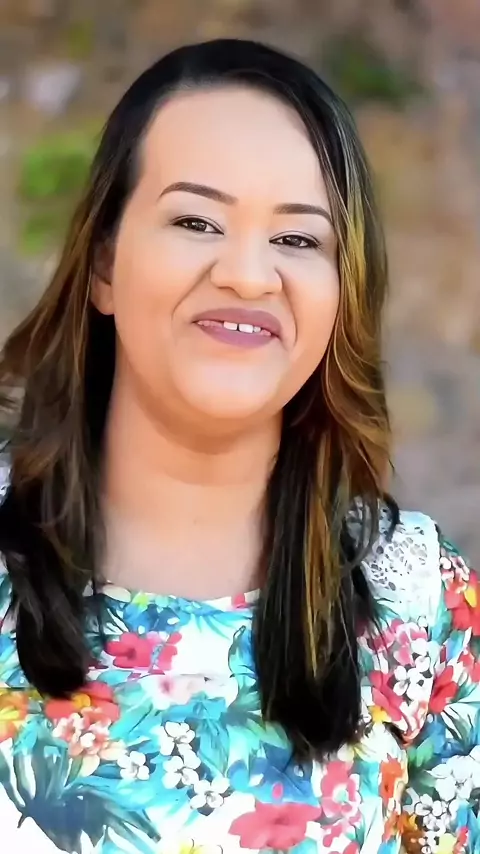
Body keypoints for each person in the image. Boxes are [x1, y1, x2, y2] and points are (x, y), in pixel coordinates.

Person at [0, 37, 478, 854]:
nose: (249, 276)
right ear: (105, 262)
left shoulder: (420, 602)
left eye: (298, 240)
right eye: (197, 221)